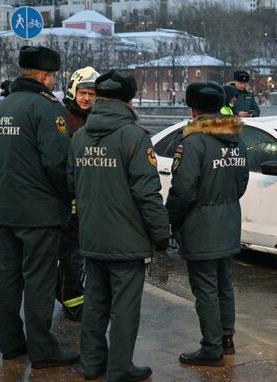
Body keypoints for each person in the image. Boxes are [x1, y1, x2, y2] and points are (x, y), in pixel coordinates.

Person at [68, 69, 169, 381]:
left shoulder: (80, 136)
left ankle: (91, 364)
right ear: (130, 99)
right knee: (124, 307)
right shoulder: (134, 136)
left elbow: (72, 183)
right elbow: (147, 193)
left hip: (92, 236)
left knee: (95, 302)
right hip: (127, 239)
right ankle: (120, 368)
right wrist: (161, 235)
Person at [0, 45, 79, 368]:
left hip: (9, 209)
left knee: (9, 278)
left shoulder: (2, 107)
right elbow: (57, 162)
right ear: (44, 76)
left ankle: (12, 343)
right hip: (41, 213)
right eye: (52, 76)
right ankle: (43, 351)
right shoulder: (47, 108)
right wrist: (67, 194)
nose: (53, 81)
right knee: (39, 281)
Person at [166, 81, 249, 367]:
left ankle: (211, 348)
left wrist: (170, 220)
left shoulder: (192, 141)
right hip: (228, 221)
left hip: (200, 225)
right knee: (225, 284)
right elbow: (242, 183)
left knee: (205, 289)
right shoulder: (236, 138)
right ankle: (226, 340)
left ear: (192, 109)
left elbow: (183, 189)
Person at [56, 66, 100, 322]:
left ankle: (70, 295)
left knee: (80, 254)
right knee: (72, 254)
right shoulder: (63, 119)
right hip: (69, 200)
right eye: (83, 92)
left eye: (92, 94)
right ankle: (72, 302)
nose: (86, 98)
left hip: (89, 199)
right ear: (74, 91)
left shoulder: (94, 119)